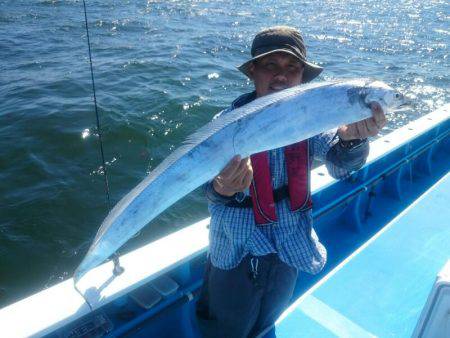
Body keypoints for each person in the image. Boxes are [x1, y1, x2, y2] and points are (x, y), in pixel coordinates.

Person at [196, 26, 386, 338]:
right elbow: (204, 186)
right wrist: (222, 188)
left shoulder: (314, 119)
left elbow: (341, 166)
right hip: (237, 244)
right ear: (253, 72)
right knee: (227, 326)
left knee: (269, 318)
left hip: (290, 239)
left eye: (291, 67)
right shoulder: (224, 124)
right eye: (271, 65)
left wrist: (352, 141)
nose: (281, 77)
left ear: (301, 76)